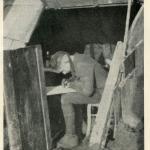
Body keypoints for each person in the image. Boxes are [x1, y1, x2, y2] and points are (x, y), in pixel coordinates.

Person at [49, 51, 108, 148]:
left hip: (102, 94)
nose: (64, 73)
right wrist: (70, 80)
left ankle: (71, 137)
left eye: (62, 70)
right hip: (99, 89)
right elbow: (80, 77)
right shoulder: (77, 59)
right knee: (69, 96)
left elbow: (87, 91)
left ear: (65, 60)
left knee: (66, 98)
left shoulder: (81, 64)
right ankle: (81, 128)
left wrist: (71, 85)